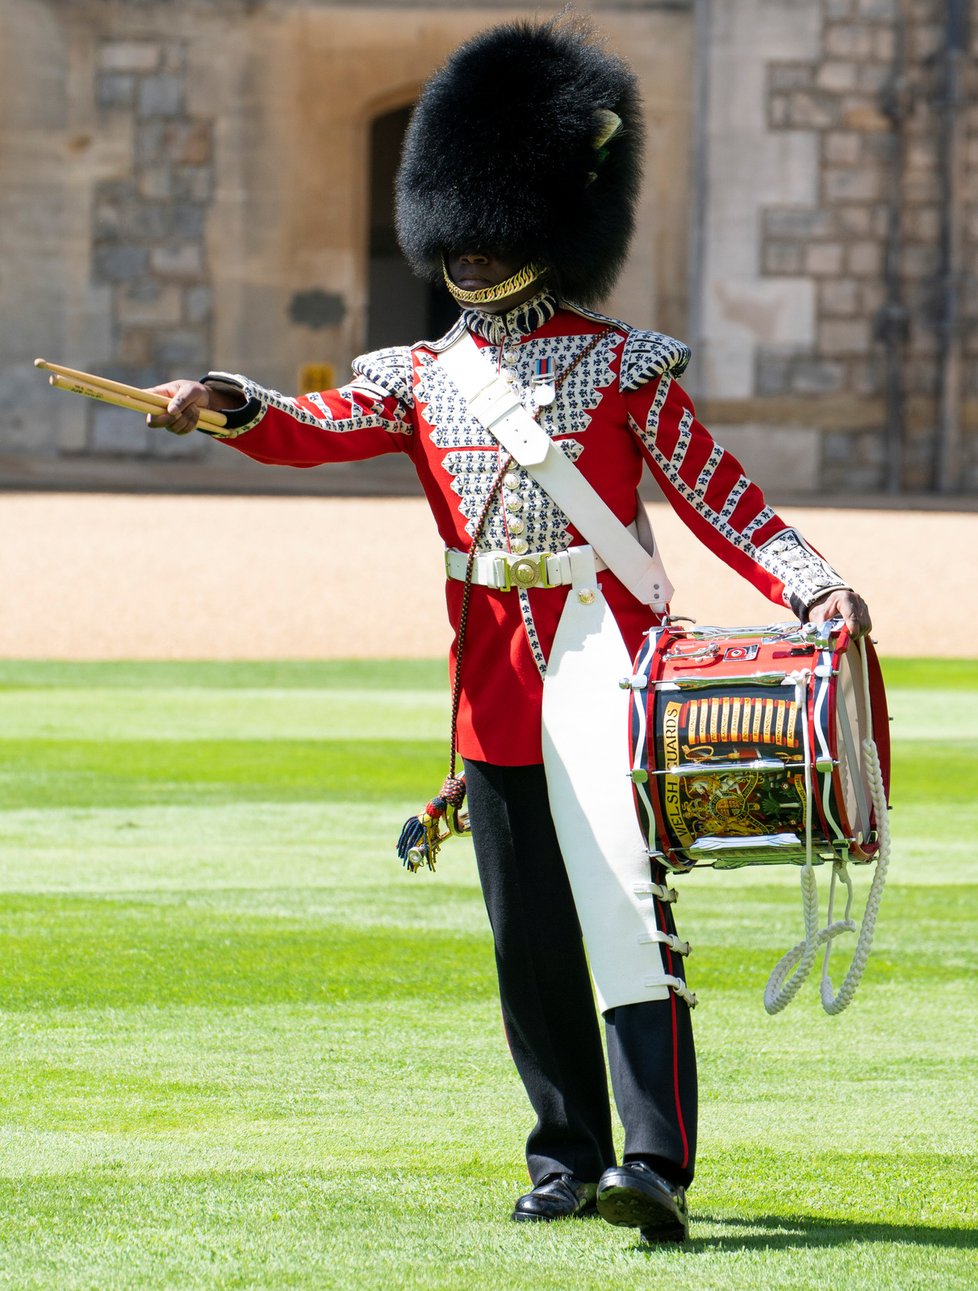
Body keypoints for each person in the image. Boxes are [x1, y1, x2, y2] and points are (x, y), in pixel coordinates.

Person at [147, 17, 871, 1245]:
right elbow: (312, 422)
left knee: (627, 913)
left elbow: (719, 493)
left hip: (610, 653)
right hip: (494, 677)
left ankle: (655, 1158)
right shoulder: (422, 375)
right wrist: (226, 403)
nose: (471, 252)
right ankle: (565, 1153)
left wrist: (810, 581)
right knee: (528, 934)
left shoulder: (625, 366)